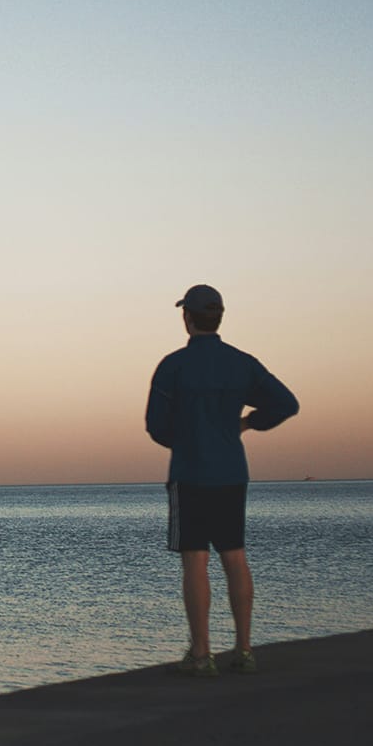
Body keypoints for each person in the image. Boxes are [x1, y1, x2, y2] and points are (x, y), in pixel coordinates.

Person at [145, 284, 299, 677]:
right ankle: (244, 650)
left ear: (188, 317)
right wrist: (247, 422)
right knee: (235, 556)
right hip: (231, 471)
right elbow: (286, 403)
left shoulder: (172, 366)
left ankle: (201, 654)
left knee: (195, 560)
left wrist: (186, 438)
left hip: (190, 473)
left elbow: (156, 426)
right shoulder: (241, 363)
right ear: (219, 317)